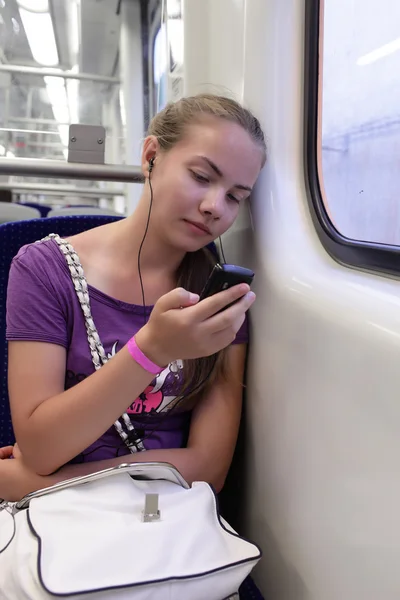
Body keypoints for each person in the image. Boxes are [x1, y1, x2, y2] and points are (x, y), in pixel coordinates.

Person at [0, 94, 266, 502]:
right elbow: (42, 446)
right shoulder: (43, 270)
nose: (214, 207)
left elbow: (210, 471)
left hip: (163, 520)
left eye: (235, 197)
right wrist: (151, 350)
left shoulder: (219, 298)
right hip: (58, 523)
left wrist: (31, 483)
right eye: (200, 176)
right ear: (151, 157)